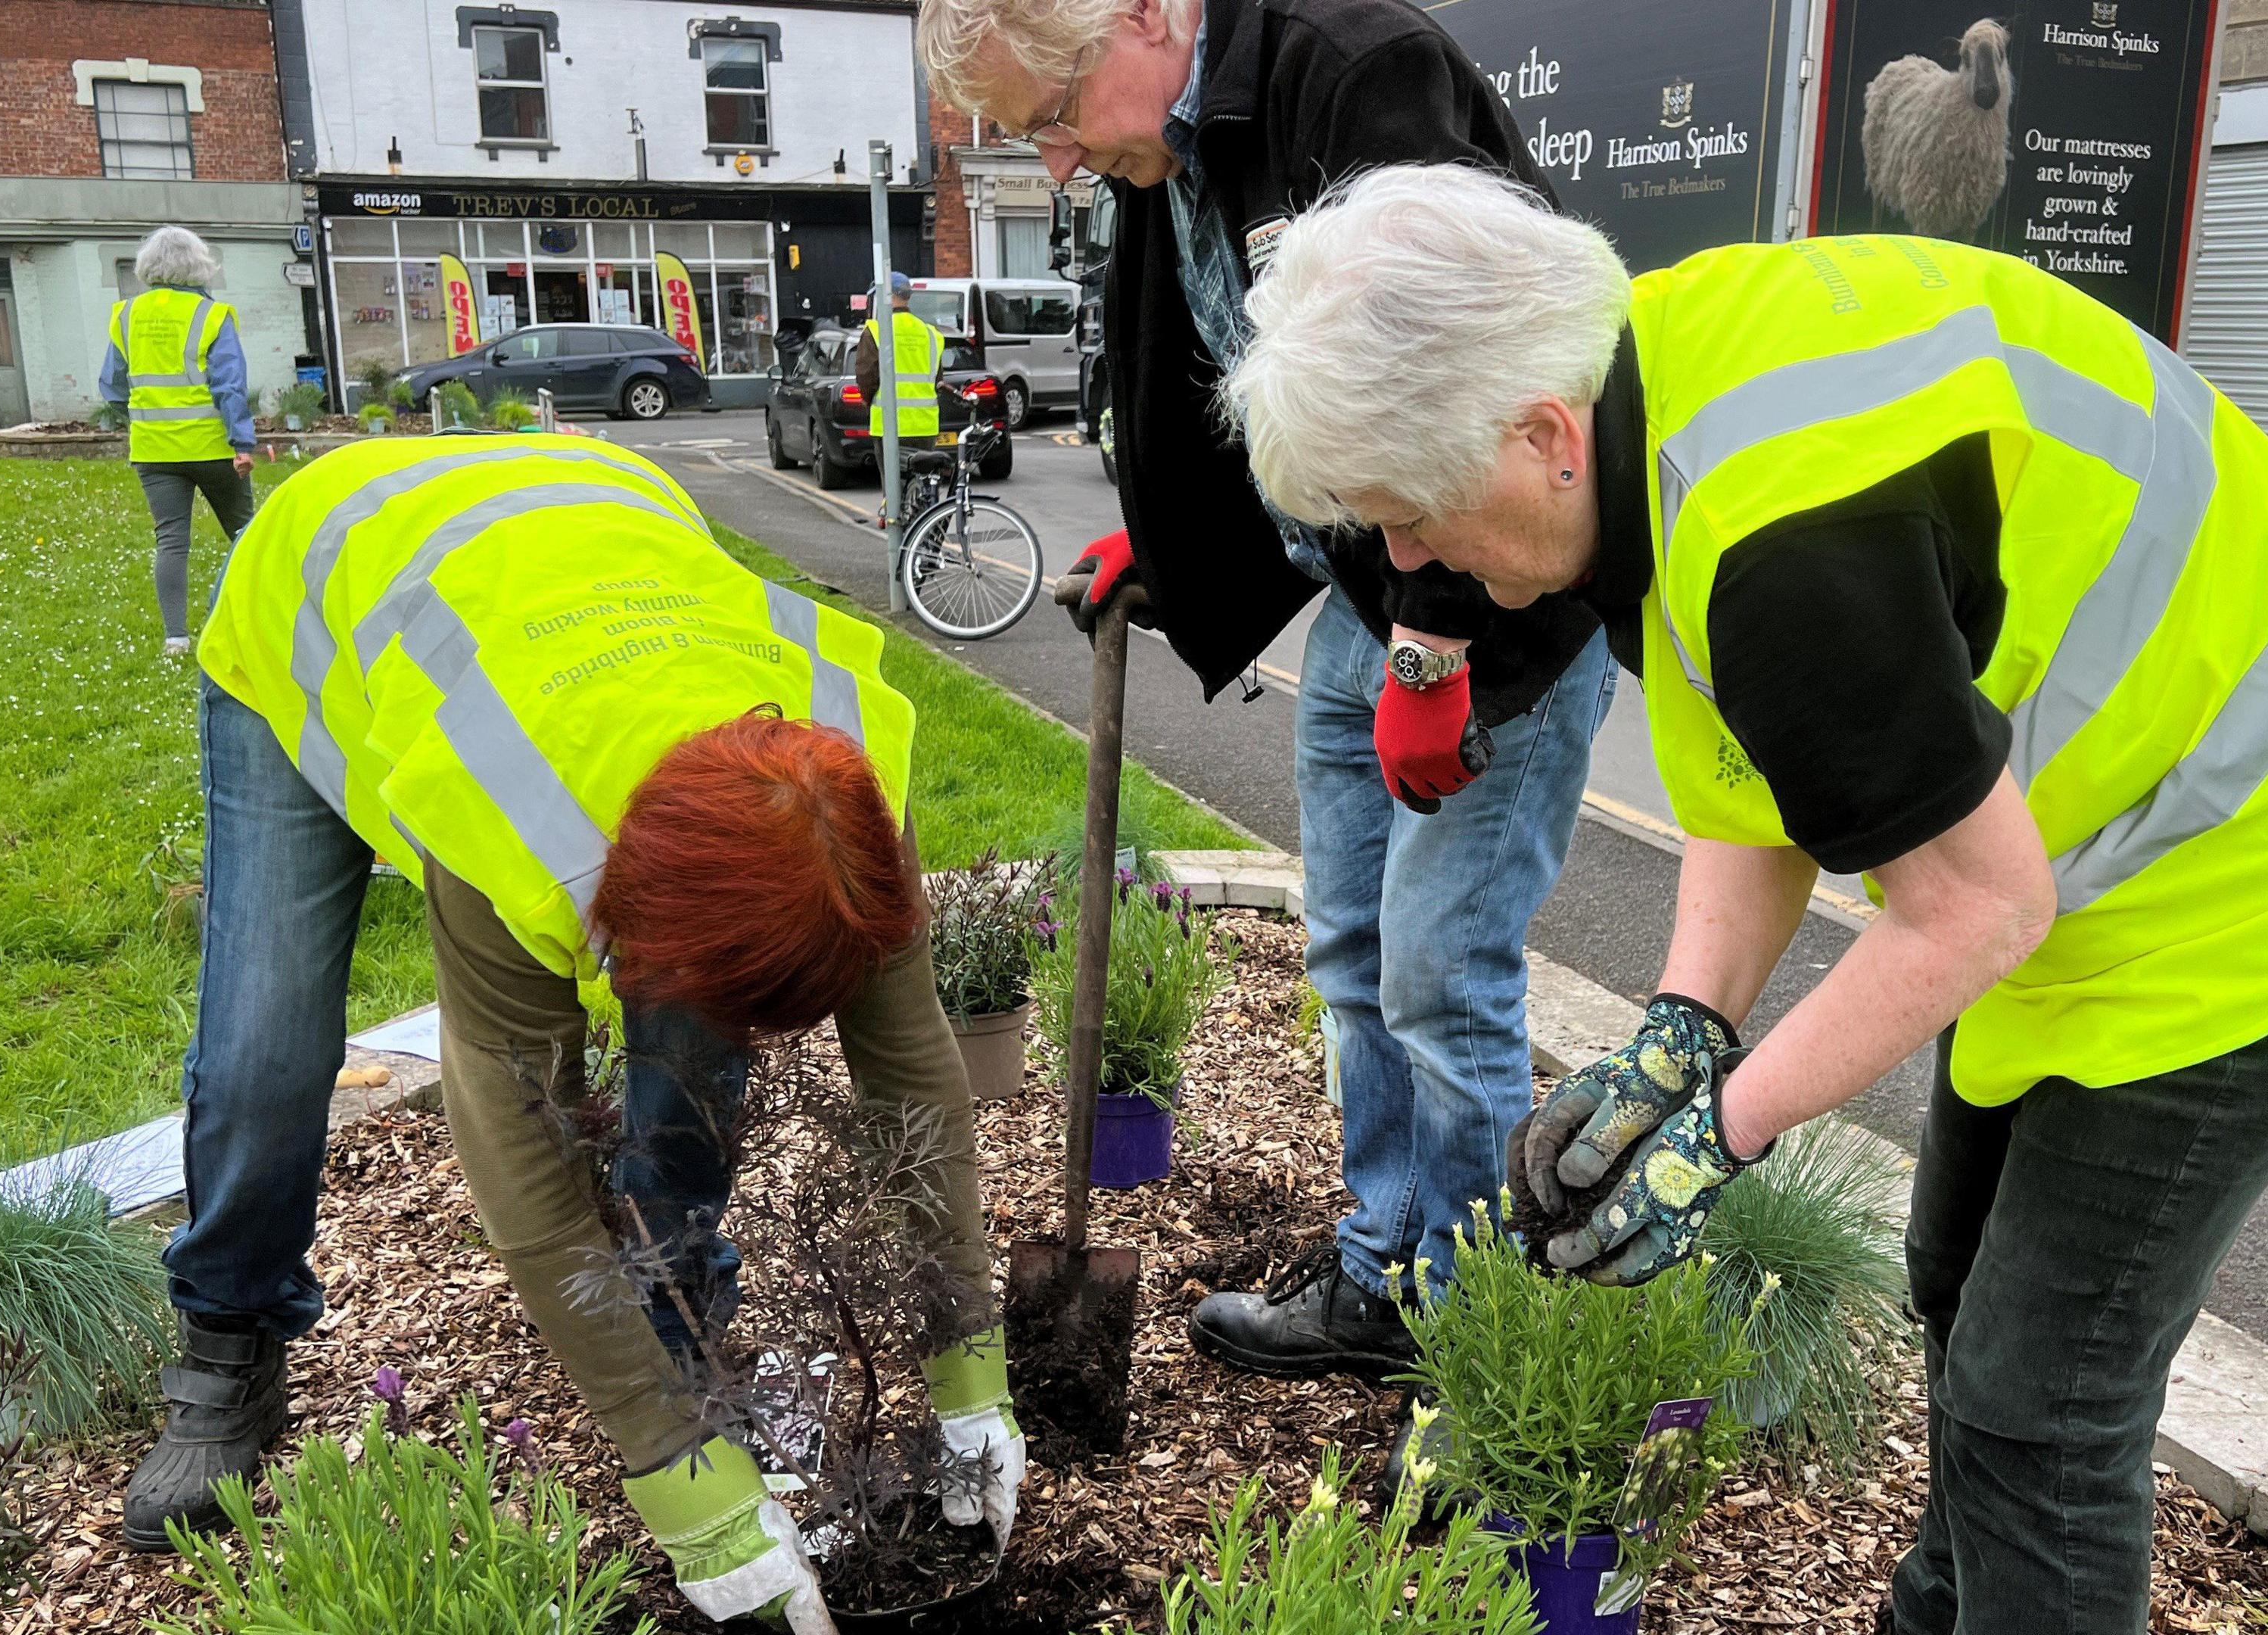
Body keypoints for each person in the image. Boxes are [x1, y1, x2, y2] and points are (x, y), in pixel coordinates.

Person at [1223, 164, 2268, 1632]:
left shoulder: (1784, 541)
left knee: (2040, 1398)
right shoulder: (1651, 379)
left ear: (1539, 436)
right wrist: (1683, 1028)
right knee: (1956, 1280)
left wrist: (1714, 1138)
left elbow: (1973, 911)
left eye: (1411, 513)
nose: (1411, 562)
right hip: (2119, 846)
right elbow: (1759, 779)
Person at [126, 434, 1022, 1630]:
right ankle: (228, 1332)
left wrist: (971, 1373)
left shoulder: (841, 790)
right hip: (323, 590)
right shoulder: (510, 808)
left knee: (696, 1043)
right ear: (619, 912)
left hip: (590, 528)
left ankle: (681, 1313)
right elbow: (527, 1176)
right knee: (270, 1042)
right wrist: (679, 1482)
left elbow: (912, 1076)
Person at [917, 0, 1617, 1385]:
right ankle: (1386, 1272)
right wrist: (1169, 549)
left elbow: (1471, 375)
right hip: (1371, 585)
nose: (1052, 160)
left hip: (1496, 585)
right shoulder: (1160, 146)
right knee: (1350, 948)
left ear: (1140, 13)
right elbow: (1216, 380)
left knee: (1439, 971)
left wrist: (1436, 639)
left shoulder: (1356, 71)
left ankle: (1473, 1325)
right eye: (1025, 135)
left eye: (1052, 111)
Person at [100, 226, 258, 661]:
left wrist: (144, 417)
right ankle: (262, 619)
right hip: (211, 448)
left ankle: (176, 639)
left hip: (154, 450)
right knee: (247, 534)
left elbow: (112, 388)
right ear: (199, 265)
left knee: (171, 541)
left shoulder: (125, 315)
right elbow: (230, 385)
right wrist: (242, 442)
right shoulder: (213, 315)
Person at [851, 269, 942, 443]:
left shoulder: (876, 330)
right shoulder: (931, 334)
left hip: (888, 424)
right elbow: (938, 379)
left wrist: (867, 399)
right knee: (924, 471)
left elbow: (866, 375)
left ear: (884, 295)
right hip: (925, 426)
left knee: (891, 471)